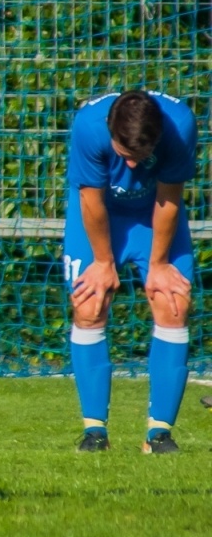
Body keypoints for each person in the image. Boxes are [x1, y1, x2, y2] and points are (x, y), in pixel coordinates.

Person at [64, 89, 197, 454]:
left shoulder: (180, 125)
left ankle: (159, 434)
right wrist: (103, 263)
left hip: (153, 213)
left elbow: (169, 198)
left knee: (172, 303)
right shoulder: (89, 127)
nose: (134, 167)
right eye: (126, 157)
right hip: (99, 213)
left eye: (142, 157)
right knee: (90, 304)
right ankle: (94, 433)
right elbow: (90, 199)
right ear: (110, 131)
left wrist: (158, 266)